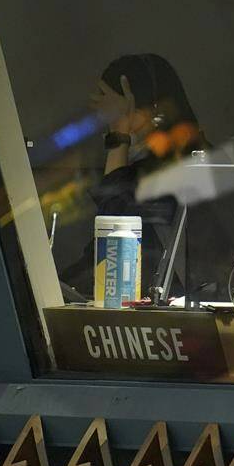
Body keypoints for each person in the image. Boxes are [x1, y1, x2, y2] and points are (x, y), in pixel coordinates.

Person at [62, 54, 208, 296]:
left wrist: (119, 138)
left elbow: (116, 234)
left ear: (152, 107)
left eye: (117, 110)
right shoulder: (138, 165)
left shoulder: (185, 164)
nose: (106, 120)